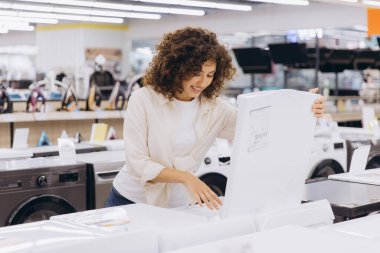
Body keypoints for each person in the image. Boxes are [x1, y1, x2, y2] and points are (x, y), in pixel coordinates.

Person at [106, 27, 325, 210]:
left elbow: (258, 128)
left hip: (176, 204)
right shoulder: (144, 99)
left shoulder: (215, 109)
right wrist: (186, 177)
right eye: (196, 72)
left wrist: (303, 109)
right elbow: (137, 164)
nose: (202, 82)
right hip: (130, 200)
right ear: (176, 67)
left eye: (210, 75)